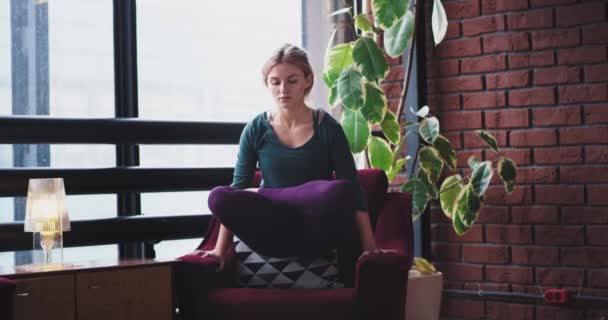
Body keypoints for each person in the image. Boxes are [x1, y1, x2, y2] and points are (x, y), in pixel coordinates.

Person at [196, 44, 391, 272]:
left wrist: (369, 246)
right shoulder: (256, 129)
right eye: (275, 82)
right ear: (266, 84)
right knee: (219, 196)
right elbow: (238, 189)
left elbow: (353, 190)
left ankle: (276, 197)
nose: (283, 90)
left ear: (307, 80)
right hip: (270, 231)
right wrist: (220, 251)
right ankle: (275, 199)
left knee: (339, 191)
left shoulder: (327, 127)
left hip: (316, 229)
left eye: (292, 80)